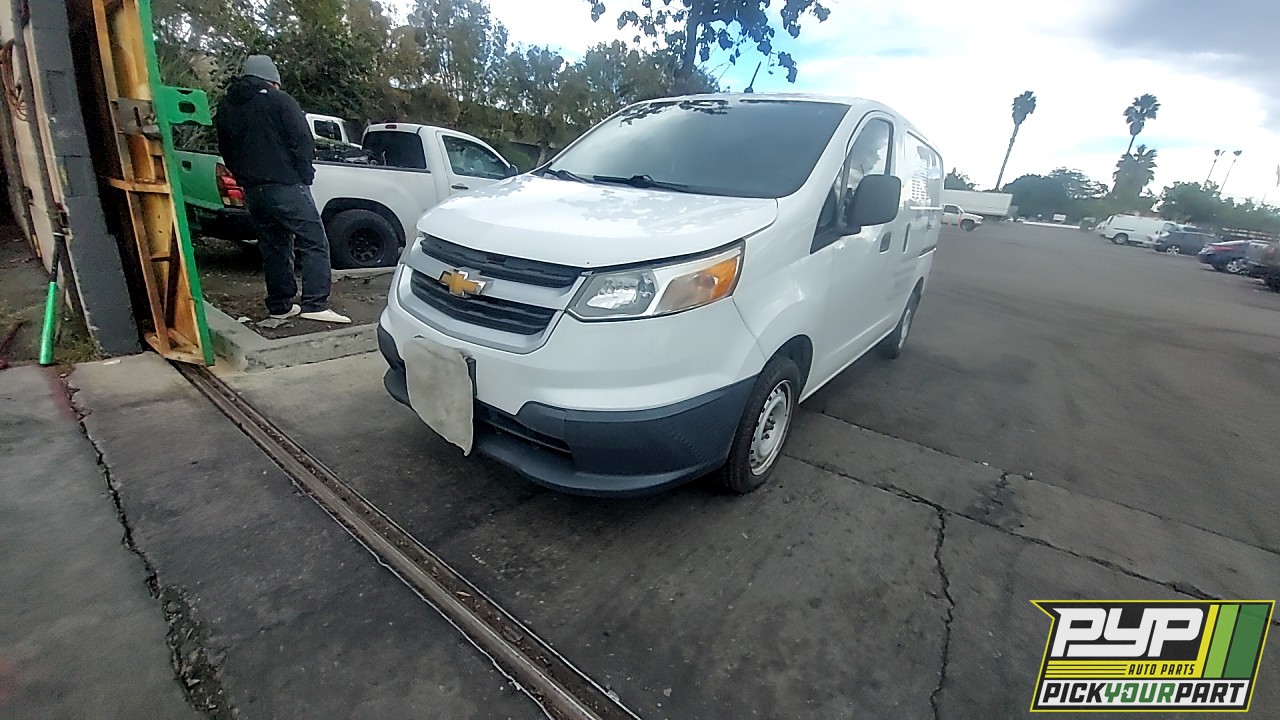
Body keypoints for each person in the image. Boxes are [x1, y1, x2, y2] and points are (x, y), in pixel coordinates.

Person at [214, 55, 350, 323]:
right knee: (314, 241)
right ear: (272, 80)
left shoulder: (226, 108)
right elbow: (301, 140)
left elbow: (226, 149)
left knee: (274, 245)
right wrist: (304, 174)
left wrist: (244, 177)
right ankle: (315, 304)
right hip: (285, 183)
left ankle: (280, 304)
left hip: (254, 190)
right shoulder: (279, 101)